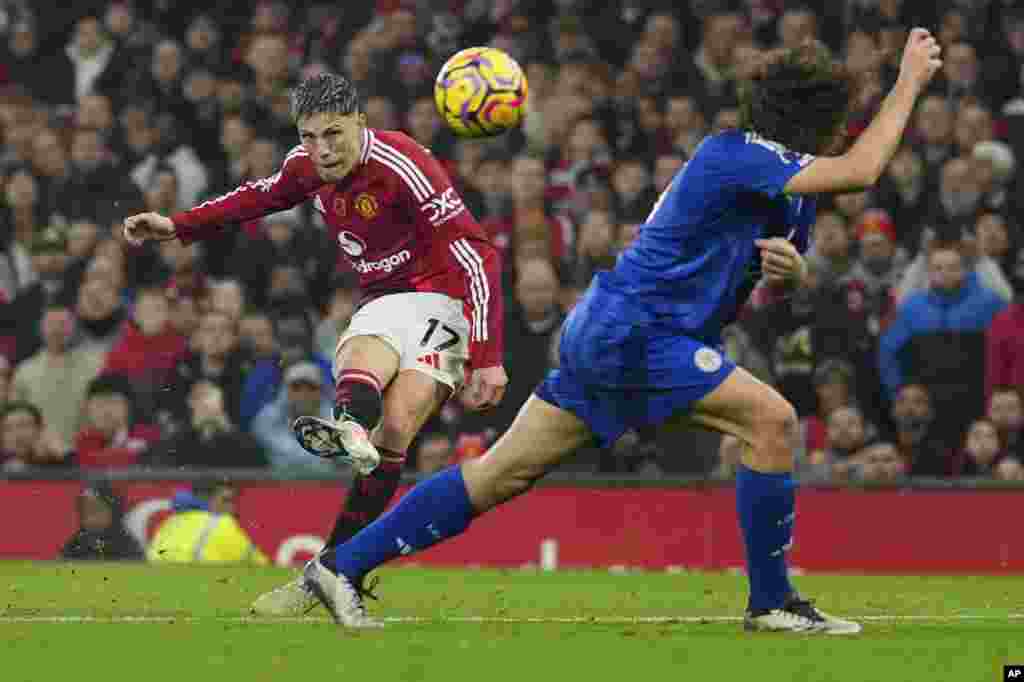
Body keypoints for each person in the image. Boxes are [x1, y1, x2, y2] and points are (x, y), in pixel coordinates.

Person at [298, 31, 942, 632]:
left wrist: (792, 273)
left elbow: (764, 271)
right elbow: (862, 171)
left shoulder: (786, 190)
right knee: (771, 421)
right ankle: (773, 603)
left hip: (616, 329)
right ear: (820, 118)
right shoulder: (735, 153)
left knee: (498, 475)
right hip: (640, 332)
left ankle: (339, 565)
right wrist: (907, 81)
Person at [122, 72, 506, 614]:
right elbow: (256, 197)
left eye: (333, 135)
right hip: (383, 301)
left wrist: (488, 357)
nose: (321, 150)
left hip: (443, 302)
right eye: (308, 136)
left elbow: (477, 254)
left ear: (360, 124)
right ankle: (347, 443)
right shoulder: (305, 166)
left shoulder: (404, 164)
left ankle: (330, 562)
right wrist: (179, 226)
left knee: (394, 432)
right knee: (366, 369)